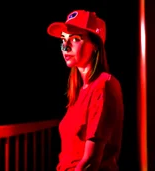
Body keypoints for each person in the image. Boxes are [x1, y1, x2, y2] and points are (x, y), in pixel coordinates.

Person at [47, 10, 124, 171]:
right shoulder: (79, 90)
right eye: (63, 39)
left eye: (75, 39)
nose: (65, 46)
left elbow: (90, 162)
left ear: (95, 45)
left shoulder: (104, 86)